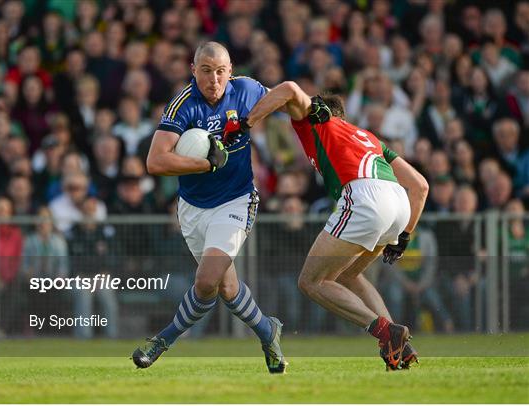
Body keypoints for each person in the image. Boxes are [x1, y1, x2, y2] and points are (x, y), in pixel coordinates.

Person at [225, 81, 429, 370]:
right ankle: (399, 345)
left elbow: (289, 89)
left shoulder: (317, 121)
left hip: (365, 197)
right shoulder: (368, 138)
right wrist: (405, 234)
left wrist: (246, 124)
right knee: (347, 276)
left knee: (311, 281)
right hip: (398, 202)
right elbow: (420, 186)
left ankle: (384, 331)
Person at [131, 42, 286, 374]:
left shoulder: (246, 90)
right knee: (226, 288)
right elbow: (155, 162)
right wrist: (205, 164)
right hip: (192, 207)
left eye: (220, 71)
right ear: (193, 70)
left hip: (236, 199)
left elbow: (283, 98)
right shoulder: (182, 105)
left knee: (205, 281)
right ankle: (267, 332)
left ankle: (162, 341)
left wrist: (314, 117)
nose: (213, 79)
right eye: (205, 70)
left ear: (230, 71)